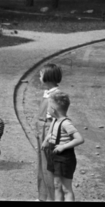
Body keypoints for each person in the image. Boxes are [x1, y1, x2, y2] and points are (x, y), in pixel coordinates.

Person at [44, 89, 85, 202]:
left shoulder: (66, 123)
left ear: (53, 109)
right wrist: (46, 141)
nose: (47, 109)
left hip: (64, 157)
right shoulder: (55, 121)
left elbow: (79, 139)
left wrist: (63, 146)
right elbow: (53, 134)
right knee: (57, 185)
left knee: (66, 188)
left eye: (48, 107)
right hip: (54, 155)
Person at [36, 62, 64, 200]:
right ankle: (43, 196)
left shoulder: (56, 95)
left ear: (48, 77)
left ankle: (52, 198)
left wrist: (48, 138)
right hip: (41, 129)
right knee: (41, 164)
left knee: (49, 166)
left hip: (48, 131)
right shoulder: (47, 93)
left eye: (41, 75)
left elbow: (56, 119)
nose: (39, 78)